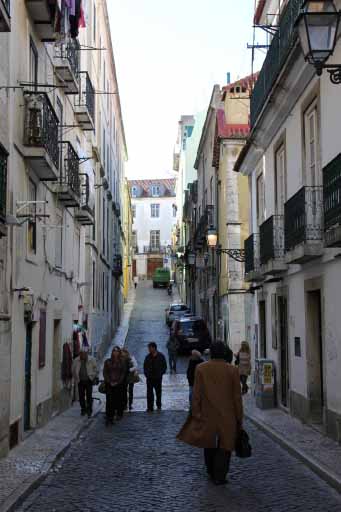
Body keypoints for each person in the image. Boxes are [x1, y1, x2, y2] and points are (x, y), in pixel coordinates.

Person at [177, 342, 243, 485]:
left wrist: (196, 412)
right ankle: (220, 475)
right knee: (225, 446)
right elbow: (237, 397)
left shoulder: (201, 369)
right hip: (228, 415)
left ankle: (211, 471)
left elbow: (196, 394)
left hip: (208, 414)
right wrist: (239, 417)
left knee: (209, 444)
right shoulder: (232, 370)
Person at [103, 346, 129, 424]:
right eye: (114, 351)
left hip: (119, 384)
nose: (115, 352)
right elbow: (105, 373)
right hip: (109, 384)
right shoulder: (107, 362)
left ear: (119, 353)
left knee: (117, 400)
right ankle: (109, 417)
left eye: (117, 351)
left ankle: (117, 414)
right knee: (109, 401)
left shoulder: (122, 362)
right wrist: (109, 381)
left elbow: (123, 373)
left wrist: (118, 382)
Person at [72, 347, 99, 418]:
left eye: (84, 354)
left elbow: (96, 369)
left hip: (88, 380)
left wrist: (92, 376)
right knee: (81, 396)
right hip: (80, 381)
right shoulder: (76, 360)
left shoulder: (92, 359)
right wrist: (76, 378)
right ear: (80, 354)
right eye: (81, 354)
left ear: (86, 354)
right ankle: (83, 409)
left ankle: (89, 410)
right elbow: (73, 370)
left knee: (89, 395)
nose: (83, 355)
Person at [143, 342, 167, 412]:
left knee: (158, 392)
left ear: (154, 348)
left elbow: (164, 366)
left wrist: (161, 373)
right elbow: (145, 366)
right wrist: (146, 374)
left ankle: (159, 405)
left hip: (158, 378)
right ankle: (150, 407)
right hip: (149, 378)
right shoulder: (147, 357)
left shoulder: (161, 356)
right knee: (149, 393)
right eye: (148, 348)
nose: (149, 349)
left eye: (150, 348)